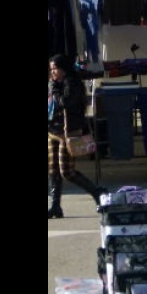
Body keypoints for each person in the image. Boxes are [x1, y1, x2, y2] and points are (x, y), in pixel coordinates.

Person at [47, 54, 107, 218]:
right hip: (52, 130)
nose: (53, 72)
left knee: (67, 171)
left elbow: (66, 102)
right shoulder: (54, 83)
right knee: (52, 171)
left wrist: (54, 90)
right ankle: (55, 206)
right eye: (51, 69)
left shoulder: (72, 83)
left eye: (55, 69)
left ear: (64, 69)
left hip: (68, 132)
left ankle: (97, 192)